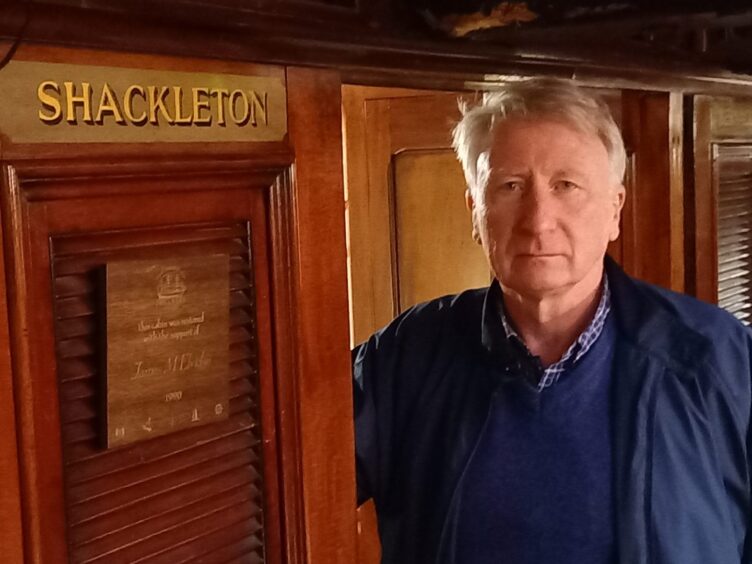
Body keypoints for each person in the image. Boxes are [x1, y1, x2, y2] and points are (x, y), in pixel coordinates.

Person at [352, 78, 752, 564]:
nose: (538, 220)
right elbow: (286, 474)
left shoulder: (717, 357)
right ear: (474, 213)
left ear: (614, 210)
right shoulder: (402, 358)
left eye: (566, 185)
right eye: (510, 186)